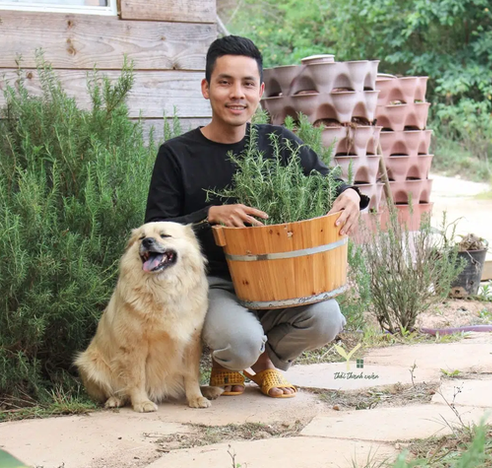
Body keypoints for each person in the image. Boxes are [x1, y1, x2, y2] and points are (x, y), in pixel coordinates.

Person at [144, 36, 368, 398]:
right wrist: (208, 214)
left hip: (277, 282)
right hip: (212, 284)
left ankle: (255, 361)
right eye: (225, 82)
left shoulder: (278, 143)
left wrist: (350, 194)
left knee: (328, 319)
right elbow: (153, 235)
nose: (237, 94)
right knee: (239, 341)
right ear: (206, 88)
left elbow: (330, 182)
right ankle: (250, 360)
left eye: (248, 83)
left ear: (260, 91)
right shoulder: (176, 154)